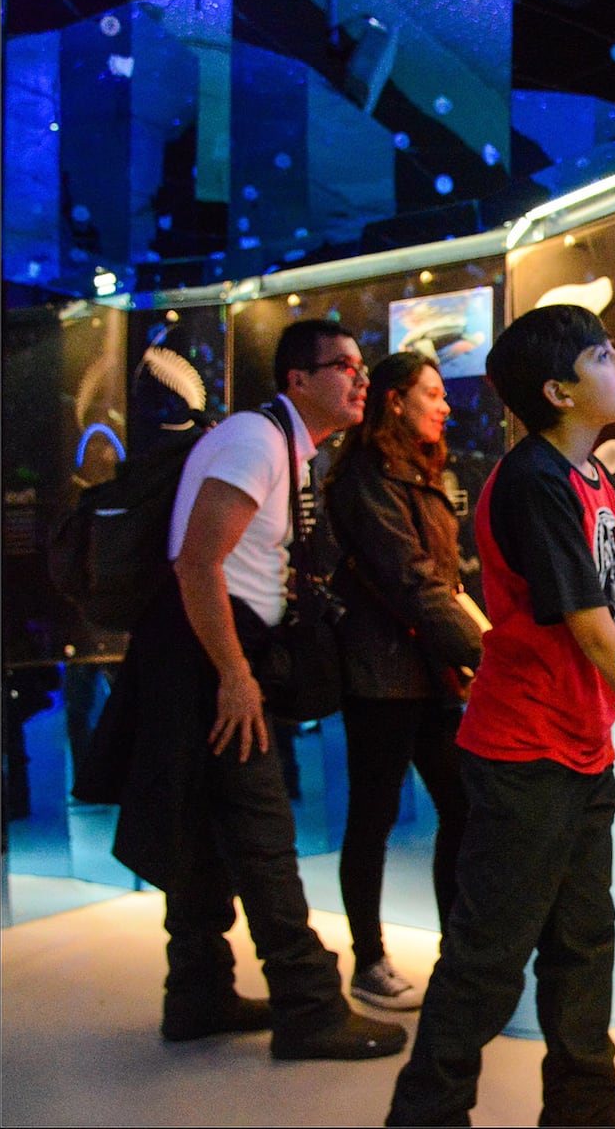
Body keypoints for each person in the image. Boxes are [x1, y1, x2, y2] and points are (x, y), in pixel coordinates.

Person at [92, 318, 407, 1059]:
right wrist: (235, 675)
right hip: (206, 655)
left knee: (201, 828)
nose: (360, 378)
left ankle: (198, 994)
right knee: (263, 836)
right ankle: (310, 1008)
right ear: (297, 380)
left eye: (361, 366)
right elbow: (198, 564)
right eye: (342, 366)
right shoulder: (256, 441)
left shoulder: (281, 446)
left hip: (206, 652)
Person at [387, 304, 615, 1127]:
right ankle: (426, 1112)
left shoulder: (590, 475)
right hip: (526, 751)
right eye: (605, 356)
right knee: (490, 956)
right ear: (560, 390)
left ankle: (585, 1112)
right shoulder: (532, 482)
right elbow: (595, 631)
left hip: (578, 747)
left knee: (583, 944)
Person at [323, 351, 483, 1011]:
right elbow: (412, 579)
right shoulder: (367, 473)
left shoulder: (420, 470)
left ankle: (458, 957)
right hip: (383, 674)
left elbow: (438, 580)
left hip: (431, 670)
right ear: (396, 399)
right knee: (373, 818)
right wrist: (484, 652)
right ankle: (369, 961)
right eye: (432, 393)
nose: (445, 406)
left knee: (462, 808)